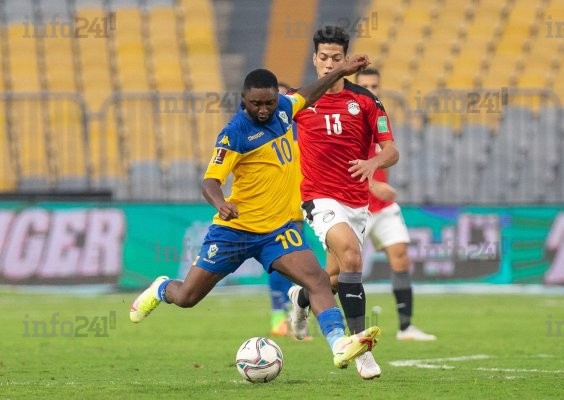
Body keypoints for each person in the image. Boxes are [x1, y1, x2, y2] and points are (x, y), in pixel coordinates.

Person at [129, 62, 381, 372]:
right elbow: (210, 181)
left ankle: (339, 344)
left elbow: (309, 93)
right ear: (243, 99)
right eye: (256, 103)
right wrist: (220, 204)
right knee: (187, 297)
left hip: (276, 231)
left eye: (269, 103)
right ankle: (161, 288)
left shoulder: (284, 109)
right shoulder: (234, 134)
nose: (263, 110)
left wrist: (339, 72)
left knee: (317, 280)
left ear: (277, 98)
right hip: (234, 231)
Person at [287, 26, 399, 380]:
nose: (329, 64)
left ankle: (301, 299)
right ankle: (361, 350)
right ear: (314, 59)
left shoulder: (365, 101)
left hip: (356, 203)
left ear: (345, 59)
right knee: (352, 255)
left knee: (333, 279)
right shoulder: (299, 100)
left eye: (336, 58)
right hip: (318, 198)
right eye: (324, 58)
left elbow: (391, 150)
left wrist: (373, 162)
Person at [355, 68, 437, 342]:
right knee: (337, 272)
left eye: (375, 86)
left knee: (401, 256)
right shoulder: (349, 120)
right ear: (355, 89)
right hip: (355, 206)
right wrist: (372, 185)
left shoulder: (380, 119)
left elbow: (390, 153)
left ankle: (405, 327)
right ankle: (303, 298)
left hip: (383, 207)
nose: (371, 91)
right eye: (365, 86)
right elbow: (339, 164)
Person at [266, 81, 301, 337]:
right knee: (280, 262)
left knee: (300, 262)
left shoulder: (302, 126)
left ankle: (294, 313)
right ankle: (279, 314)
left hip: (302, 204)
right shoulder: (261, 130)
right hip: (273, 205)